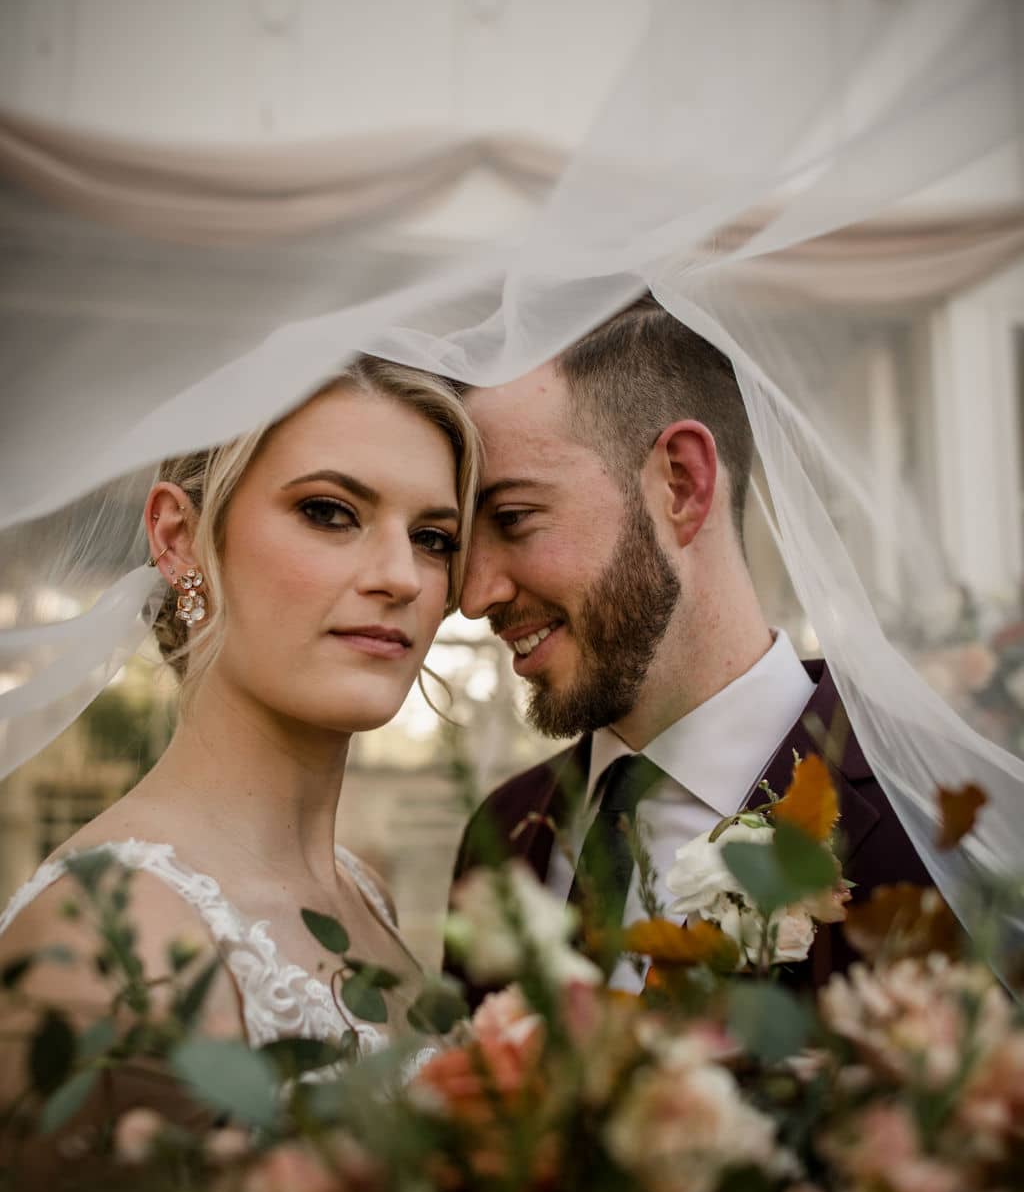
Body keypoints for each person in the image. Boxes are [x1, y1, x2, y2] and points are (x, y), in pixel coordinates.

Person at [0, 356, 478, 1080]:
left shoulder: (362, 892)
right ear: (178, 538)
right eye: (329, 512)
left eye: (432, 538)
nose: (402, 577)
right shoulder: (108, 934)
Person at [448, 296, 929, 992]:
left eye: (514, 518)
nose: (473, 596)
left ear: (681, 483)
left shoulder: (926, 822)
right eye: (460, 540)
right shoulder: (499, 835)